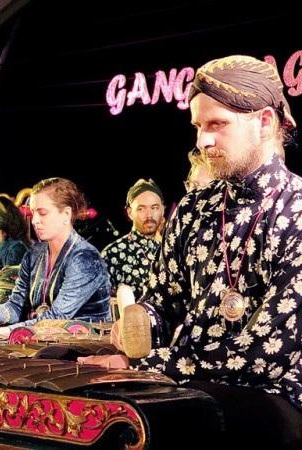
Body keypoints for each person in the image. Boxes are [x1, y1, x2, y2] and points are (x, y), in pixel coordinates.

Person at [85, 55, 302, 448]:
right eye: (199, 126)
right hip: (188, 384)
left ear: (265, 121)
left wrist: (151, 365)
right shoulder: (192, 208)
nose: (202, 140)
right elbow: (165, 300)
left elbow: (265, 355)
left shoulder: (299, 209)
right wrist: (140, 323)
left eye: (217, 124)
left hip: (274, 401)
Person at [0, 178, 111, 326]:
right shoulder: (34, 254)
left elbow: (55, 318)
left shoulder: (85, 258)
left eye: (42, 213)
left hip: (84, 344)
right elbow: (16, 307)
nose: (35, 220)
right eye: (33, 213)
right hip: (44, 341)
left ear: (66, 214)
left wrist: (1, 333)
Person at [101, 179, 164, 300]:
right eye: (141, 209)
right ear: (129, 213)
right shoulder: (113, 253)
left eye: (154, 208)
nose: (149, 215)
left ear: (162, 209)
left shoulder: (172, 249)